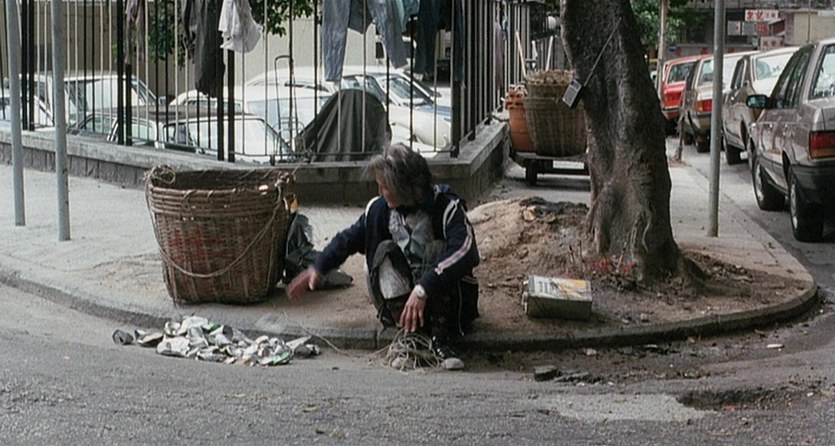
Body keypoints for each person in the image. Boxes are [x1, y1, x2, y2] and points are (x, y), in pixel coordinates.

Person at [287, 143, 480, 370]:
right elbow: (349, 238)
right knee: (384, 252)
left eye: (384, 186)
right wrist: (318, 267)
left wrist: (423, 289)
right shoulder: (378, 210)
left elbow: (465, 250)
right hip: (401, 300)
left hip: (446, 305)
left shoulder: (447, 208)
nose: (380, 192)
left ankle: (440, 339)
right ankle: (411, 336)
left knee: (438, 250)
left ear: (405, 187)